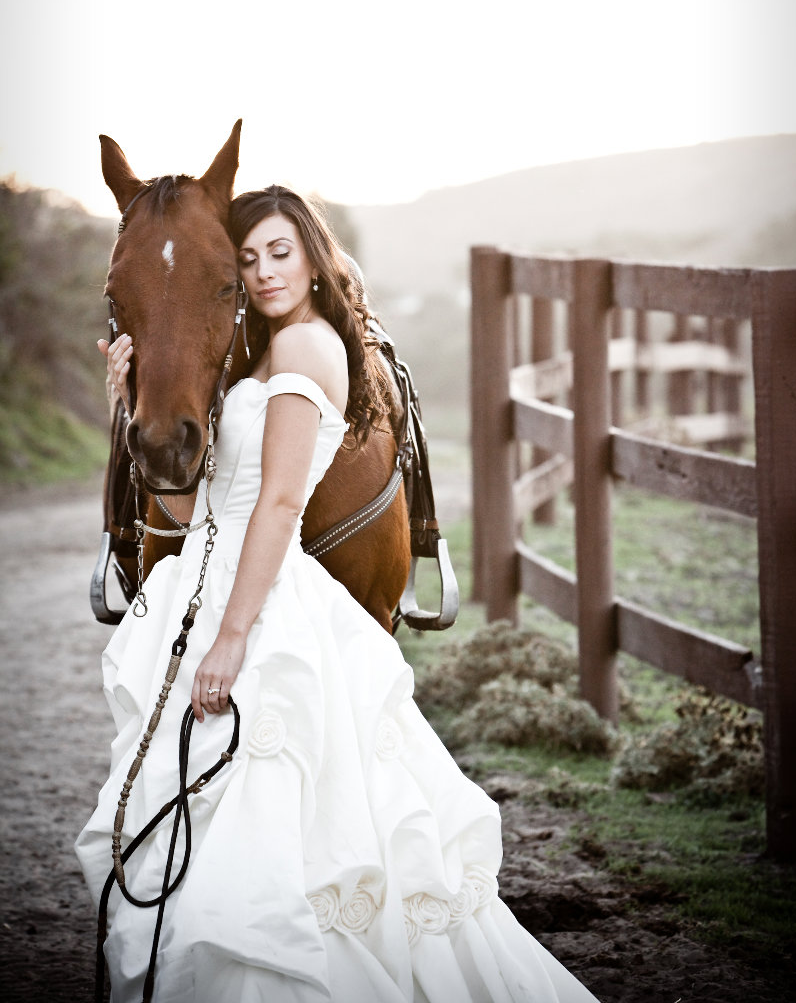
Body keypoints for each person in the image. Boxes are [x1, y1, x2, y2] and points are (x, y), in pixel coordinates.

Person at [76, 185, 597, 1003]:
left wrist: (233, 637)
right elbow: (201, 510)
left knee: (281, 824)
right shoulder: (257, 357)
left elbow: (282, 503)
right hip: (217, 589)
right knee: (217, 824)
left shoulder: (307, 350)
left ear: (316, 258)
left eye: (281, 252)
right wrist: (125, 399)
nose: (265, 272)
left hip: (260, 609)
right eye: (248, 260)